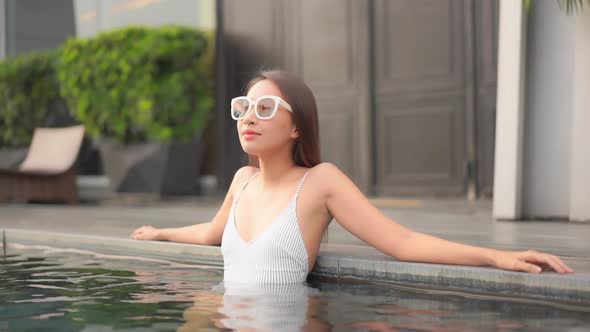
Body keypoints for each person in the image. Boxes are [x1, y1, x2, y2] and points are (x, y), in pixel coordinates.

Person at [130, 70, 573, 284]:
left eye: (265, 108)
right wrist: (159, 233)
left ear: (297, 125)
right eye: (242, 108)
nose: (249, 117)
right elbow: (212, 233)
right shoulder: (241, 181)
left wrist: (497, 257)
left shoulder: (320, 182)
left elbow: (402, 242)